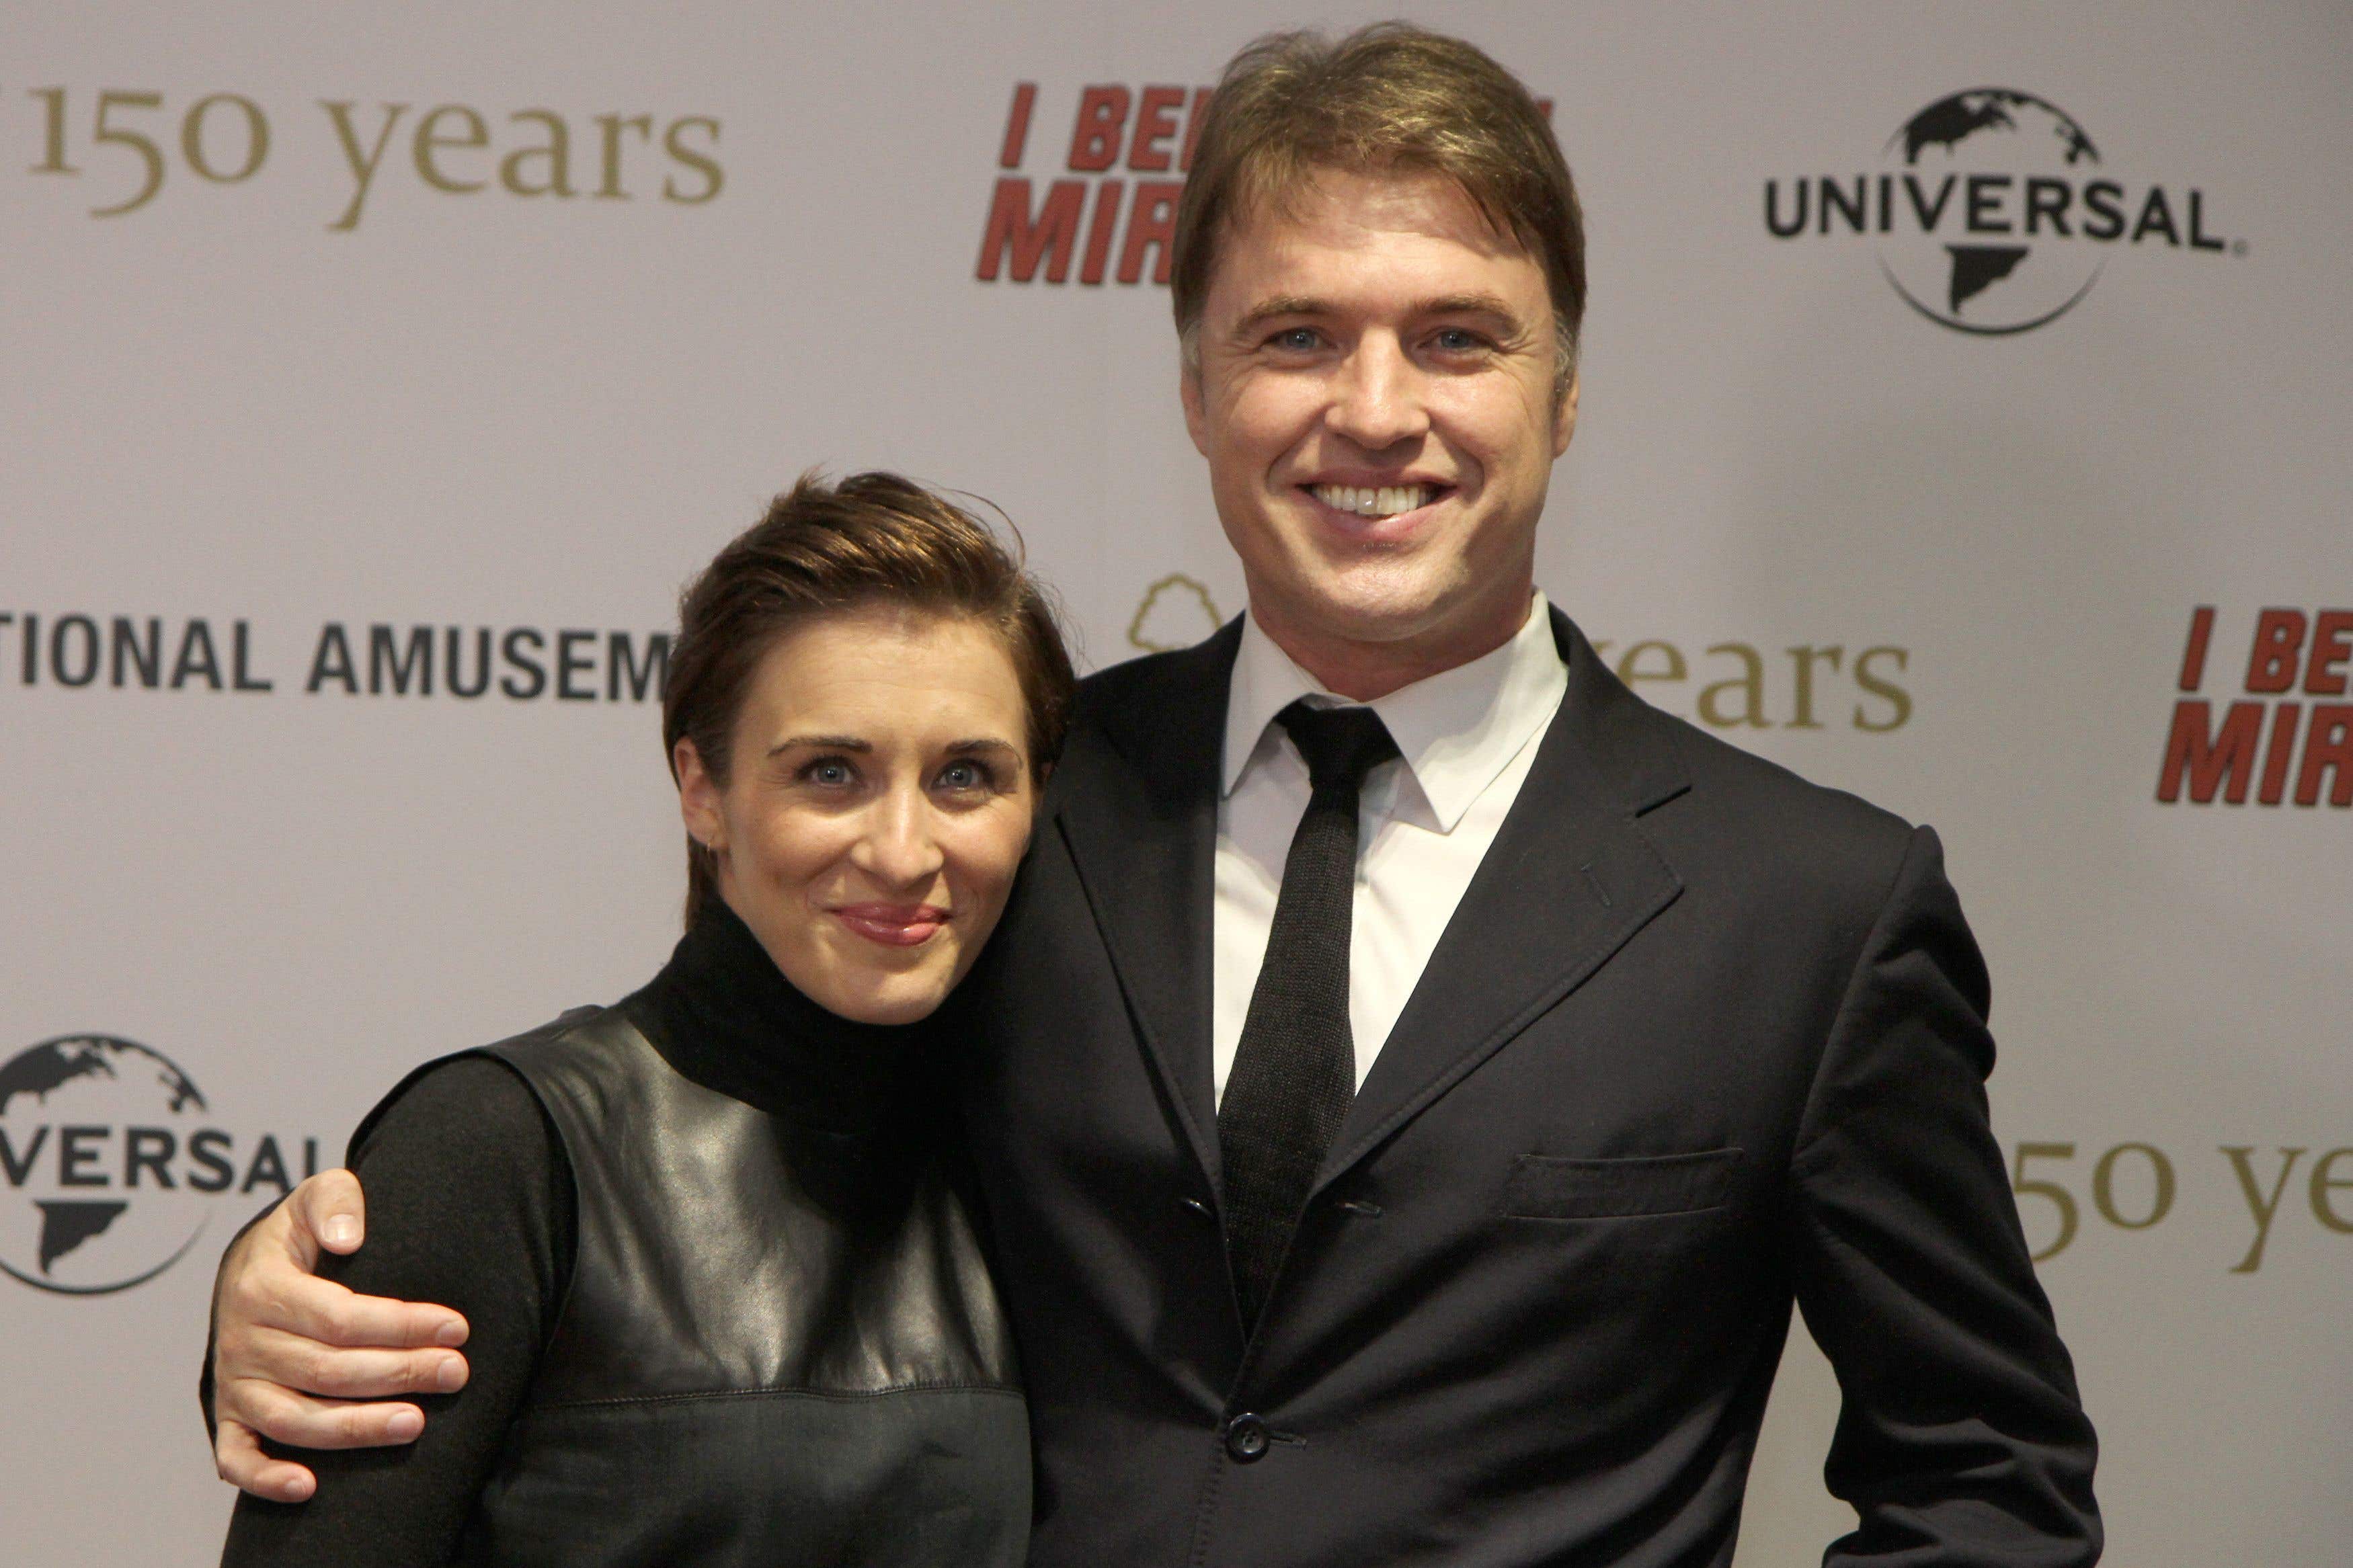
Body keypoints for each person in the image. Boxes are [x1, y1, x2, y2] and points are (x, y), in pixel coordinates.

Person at [204, 25, 2102, 1567]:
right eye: (1294, 335)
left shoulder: (1809, 908)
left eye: (1456, 334)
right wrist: (296, 1284)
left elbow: (1986, 1478)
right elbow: (702, 1145)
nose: (1374, 409)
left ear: (1567, 390)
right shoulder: (1019, 802)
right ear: (1195, 385)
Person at [214, 470, 1075, 1565]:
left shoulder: (1057, 1158)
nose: (904, 852)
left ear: (1038, 798)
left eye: (964, 775)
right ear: (701, 788)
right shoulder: (500, 1148)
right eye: (830, 772)